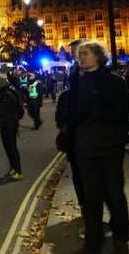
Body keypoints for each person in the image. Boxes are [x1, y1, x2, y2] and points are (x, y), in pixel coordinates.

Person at [70, 40, 129, 254]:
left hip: (109, 148)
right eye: (79, 54)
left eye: (85, 53)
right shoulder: (77, 80)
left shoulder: (112, 80)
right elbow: (74, 113)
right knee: (92, 199)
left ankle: (121, 239)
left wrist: (121, 134)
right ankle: (92, 244)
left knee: (115, 196)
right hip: (86, 149)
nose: (81, 57)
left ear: (98, 56)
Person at [55, 39, 86, 217]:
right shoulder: (74, 71)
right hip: (74, 135)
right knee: (77, 172)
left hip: (92, 134)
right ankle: (84, 205)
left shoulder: (98, 76)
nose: (73, 54)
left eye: (76, 51)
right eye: (72, 51)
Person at [0, 73, 22, 180]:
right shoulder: (4, 93)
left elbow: (2, 111)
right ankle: (13, 168)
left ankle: (18, 172)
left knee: (11, 148)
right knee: (8, 148)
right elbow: (2, 107)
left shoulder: (7, 94)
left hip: (10, 124)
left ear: (0, 84)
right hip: (6, 123)